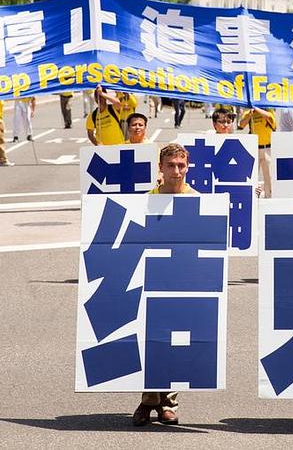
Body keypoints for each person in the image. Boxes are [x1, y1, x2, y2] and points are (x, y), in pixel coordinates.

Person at [133, 143, 197, 427]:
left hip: (183, 280)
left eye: (181, 165)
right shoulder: (146, 200)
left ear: (188, 166)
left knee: (175, 341)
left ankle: (168, 402)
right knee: (150, 340)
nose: (176, 171)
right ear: (160, 167)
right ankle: (148, 401)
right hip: (151, 278)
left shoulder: (199, 200)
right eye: (170, 165)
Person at [238, 106, 277, 197]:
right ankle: (253, 197)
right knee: (252, 175)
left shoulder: (269, 110)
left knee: (269, 177)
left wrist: (257, 109)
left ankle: (269, 197)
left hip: (268, 148)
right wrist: (250, 114)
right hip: (254, 148)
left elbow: (270, 118)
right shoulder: (249, 112)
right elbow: (241, 125)